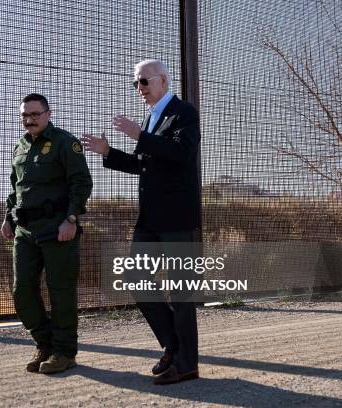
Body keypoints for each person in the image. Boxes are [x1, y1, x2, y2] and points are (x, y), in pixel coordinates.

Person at [80, 60, 201, 385]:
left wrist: (139, 135)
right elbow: (145, 166)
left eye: (144, 82)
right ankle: (173, 346)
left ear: (162, 80)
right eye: (136, 83)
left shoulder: (183, 112)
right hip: (149, 218)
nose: (139, 89)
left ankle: (187, 363)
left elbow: (181, 153)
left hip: (177, 218)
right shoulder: (151, 118)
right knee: (135, 278)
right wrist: (109, 152)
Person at [1, 93, 93, 374]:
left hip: (57, 230)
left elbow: (81, 183)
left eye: (35, 114)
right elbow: (16, 186)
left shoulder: (65, 143)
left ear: (48, 113)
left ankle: (65, 352)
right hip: (25, 232)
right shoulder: (20, 146)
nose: (29, 120)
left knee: (61, 291)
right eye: (25, 116)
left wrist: (71, 219)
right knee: (22, 291)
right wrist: (8, 217)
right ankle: (45, 344)